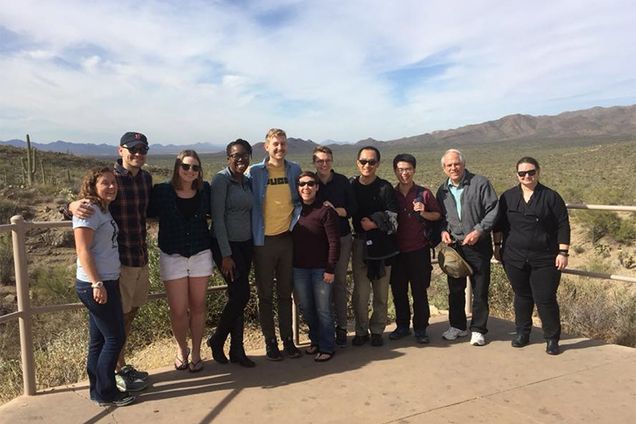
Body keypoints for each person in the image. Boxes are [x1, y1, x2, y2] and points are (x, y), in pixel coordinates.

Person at [69, 132, 152, 392]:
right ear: (121, 151)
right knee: (117, 321)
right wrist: (70, 205)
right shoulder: (110, 179)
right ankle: (116, 370)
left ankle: (118, 366)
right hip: (118, 261)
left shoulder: (146, 179)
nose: (138, 153)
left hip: (140, 255)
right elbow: (85, 204)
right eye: (133, 149)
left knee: (131, 312)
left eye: (143, 149)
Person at [493, 157, 570, 355]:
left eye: (531, 172)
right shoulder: (508, 197)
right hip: (514, 256)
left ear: (538, 172)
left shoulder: (551, 197)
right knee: (522, 296)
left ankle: (552, 339)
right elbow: (499, 225)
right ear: (517, 175)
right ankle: (522, 333)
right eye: (522, 173)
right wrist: (497, 246)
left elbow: (563, 224)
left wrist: (563, 252)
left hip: (545, 257)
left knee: (545, 298)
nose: (527, 176)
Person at [73, 167, 134, 407]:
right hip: (95, 284)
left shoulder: (101, 209)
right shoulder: (88, 210)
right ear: (93, 186)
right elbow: (82, 250)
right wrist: (97, 282)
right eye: (105, 183)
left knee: (98, 340)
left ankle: (97, 390)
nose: (111, 187)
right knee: (115, 337)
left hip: (105, 280)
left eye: (113, 183)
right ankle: (107, 391)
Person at [148, 150, 212, 372]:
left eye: (195, 167)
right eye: (186, 166)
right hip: (172, 255)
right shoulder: (162, 191)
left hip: (200, 254)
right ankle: (181, 349)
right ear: (177, 167)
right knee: (177, 309)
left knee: (198, 307)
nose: (190, 171)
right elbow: (141, 209)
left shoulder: (205, 191)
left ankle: (196, 351)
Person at [247, 128, 302, 360]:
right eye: (275, 144)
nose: (280, 148)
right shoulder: (255, 172)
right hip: (263, 241)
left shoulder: (294, 169)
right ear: (266, 146)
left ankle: (288, 340)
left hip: (286, 239)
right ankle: (270, 341)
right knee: (265, 294)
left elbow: (301, 197)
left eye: (283, 144)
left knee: (285, 293)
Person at [436, 149, 499, 346]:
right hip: (455, 247)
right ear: (444, 168)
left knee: (480, 289)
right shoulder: (442, 191)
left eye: (456, 164)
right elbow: (440, 217)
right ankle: (457, 326)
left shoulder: (480, 183)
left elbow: (493, 210)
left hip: (478, 245)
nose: (453, 168)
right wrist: (442, 231)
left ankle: (478, 329)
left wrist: (479, 230)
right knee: (455, 289)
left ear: (463, 164)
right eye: (449, 165)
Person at [207, 139, 256, 368]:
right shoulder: (221, 180)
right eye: (236, 155)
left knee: (238, 297)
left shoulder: (246, 182)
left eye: (244, 155)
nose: (240, 159)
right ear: (228, 158)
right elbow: (217, 218)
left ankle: (237, 349)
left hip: (246, 245)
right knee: (241, 294)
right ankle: (217, 340)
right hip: (226, 246)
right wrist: (226, 255)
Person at [389, 154, 442, 344]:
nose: (404, 173)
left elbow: (437, 215)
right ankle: (403, 326)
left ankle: (421, 328)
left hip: (419, 250)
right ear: (395, 171)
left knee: (419, 292)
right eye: (400, 169)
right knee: (398, 291)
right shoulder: (390, 193)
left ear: (414, 170)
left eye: (408, 169)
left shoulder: (424, 193)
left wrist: (424, 212)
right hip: (396, 252)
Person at [350, 146, 399, 347]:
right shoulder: (351, 186)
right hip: (360, 243)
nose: (367, 165)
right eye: (363, 161)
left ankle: (377, 329)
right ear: (357, 163)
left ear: (377, 164)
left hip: (382, 245)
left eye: (371, 162)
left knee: (380, 291)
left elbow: (395, 219)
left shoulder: (385, 188)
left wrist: (375, 223)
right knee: (360, 292)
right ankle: (361, 331)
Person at [292, 171, 341, 362]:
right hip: (299, 268)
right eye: (302, 184)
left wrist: (330, 269)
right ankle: (315, 341)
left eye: (311, 184)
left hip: (321, 269)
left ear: (317, 187)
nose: (306, 187)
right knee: (307, 308)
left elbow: (334, 242)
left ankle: (328, 346)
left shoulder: (326, 211)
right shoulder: (295, 211)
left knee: (323, 310)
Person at [312, 146, 357, 347]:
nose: (324, 164)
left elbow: (352, 209)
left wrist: (335, 210)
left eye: (327, 160)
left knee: (338, 283)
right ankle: (323, 329)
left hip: (341, 238)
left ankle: (341, 327)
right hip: (317, 242)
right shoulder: (309, 183)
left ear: (332, 161)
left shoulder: (342, 182)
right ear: (314, 162)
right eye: (320, 160)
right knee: (321, 287)